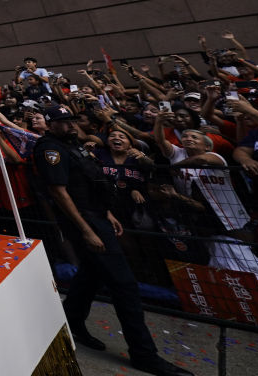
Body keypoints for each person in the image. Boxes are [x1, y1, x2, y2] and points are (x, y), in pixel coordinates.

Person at [33, 106, 193, 376]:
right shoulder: (50, 149)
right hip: (84, 221)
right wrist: (87, 230)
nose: (70, 125)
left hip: (98, 215)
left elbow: (89, 182)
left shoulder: (76, 145)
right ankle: (144, 354)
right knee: (125, 285)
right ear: (50, 125)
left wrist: (106, 214)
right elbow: (59, 193)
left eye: (72, 120)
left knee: (91, 275)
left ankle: (72, 321)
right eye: (63, 122)